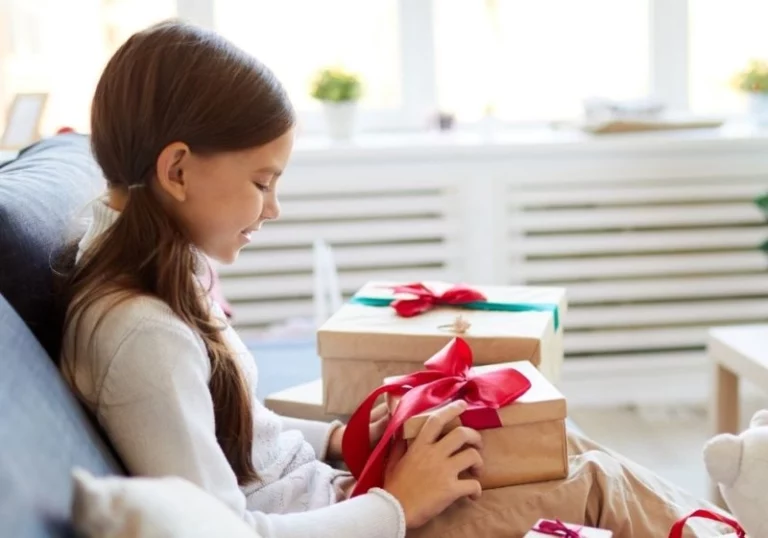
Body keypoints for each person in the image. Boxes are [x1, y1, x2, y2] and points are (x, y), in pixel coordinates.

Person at [59, 20, 733, 538]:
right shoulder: (141, 335)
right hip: (362, 516)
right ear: (176, 171)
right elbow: (228, 529)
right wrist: (397, 502)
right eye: (261, 182)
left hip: (344, 491)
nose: (273, 207)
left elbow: (243, 438)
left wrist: (364, 428)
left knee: (546, 438)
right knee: (592, 481)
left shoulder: (155, 276)